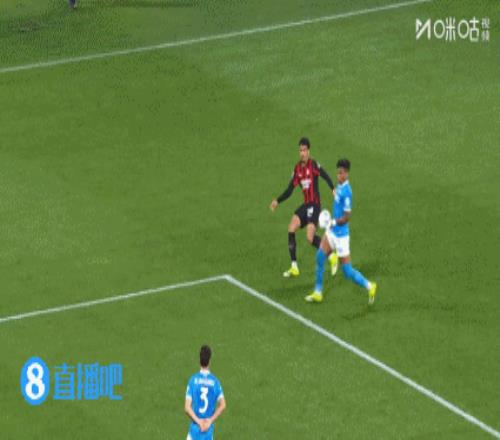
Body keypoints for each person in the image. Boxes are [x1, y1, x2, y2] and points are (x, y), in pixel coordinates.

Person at [305, 159, 377, 304]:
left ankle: (370, 286)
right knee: (320, 257)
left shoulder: (347, 192)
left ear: (347, 173)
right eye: (338, 173)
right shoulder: (339, 186)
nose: (339, 175)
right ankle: (318, 292)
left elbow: (347, 217)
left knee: (347, 271)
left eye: (341, 173)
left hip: (341, 236)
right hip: (331, 232)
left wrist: (333, 222)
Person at [270, 137, 338, 278]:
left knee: (309, 237)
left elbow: (324, 175)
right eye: (300, 150)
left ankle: (332, 256)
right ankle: (294, 267)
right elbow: (290, 189)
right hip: (306, 205)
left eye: (304, 150)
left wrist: (332, 188)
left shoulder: (313, 165)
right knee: (291, 227)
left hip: (315, 205)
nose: (302, 153)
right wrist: (277, 200)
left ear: (308, 151)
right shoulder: (297, 169)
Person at [185, 345, 226, 440]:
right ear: (210, 361)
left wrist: (199, 422)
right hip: (207, 433)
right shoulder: (215, 382)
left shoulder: (193, 380)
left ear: (199, 360)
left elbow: (187, 408)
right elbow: (223, 405)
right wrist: (210, 420)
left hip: (193, 433)